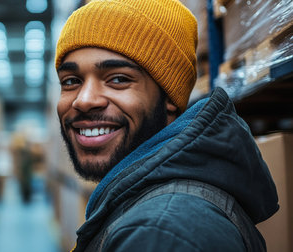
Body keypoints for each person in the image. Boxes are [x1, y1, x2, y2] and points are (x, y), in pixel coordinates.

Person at [54, 0, 279, 251]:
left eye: (118, 79)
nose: (84, 100)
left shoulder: (160, 233)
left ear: (170, 98)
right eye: (71, 81)